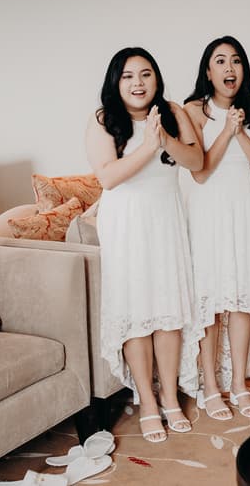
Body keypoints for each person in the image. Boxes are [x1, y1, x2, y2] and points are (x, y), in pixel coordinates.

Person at [86, 47, 203, 443]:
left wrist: (164, 138)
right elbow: (108, 177)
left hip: (166, 222)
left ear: (157, 78)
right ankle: (148, 402)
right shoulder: (103, 121)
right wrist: (148, 147)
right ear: (115, 83)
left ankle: (170, 396)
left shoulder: (173, 111)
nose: (138, 83)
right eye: (128, 76)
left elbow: (197, 161)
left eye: (146, 74)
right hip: (126, 227)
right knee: (138, 312)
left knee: (168, 311)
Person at [183, 36, 250, 420]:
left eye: (235, 61)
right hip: (207, 211)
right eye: (220, 61)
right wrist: (225, 130)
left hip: (244, 209)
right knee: (209, 301)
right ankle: (210, 385)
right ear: (208, 71)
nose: (229, 68)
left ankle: (238, 383)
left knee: (240, 299)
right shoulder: (191, 111)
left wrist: (240, 132)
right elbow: (201, 171)